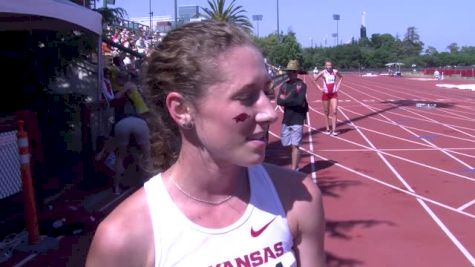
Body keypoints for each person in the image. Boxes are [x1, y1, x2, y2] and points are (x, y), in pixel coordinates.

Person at [86, 21, 325, 267]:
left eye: (267, 92)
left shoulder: (296, 196)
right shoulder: (125, 238)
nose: (270, 112)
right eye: (245, 96)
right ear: (182, 110)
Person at [277, 60, 309, 171]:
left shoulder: (302, 85)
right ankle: (293, 164)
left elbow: (299, 102)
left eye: (291, 71)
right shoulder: (284, 86)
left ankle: (294, 169)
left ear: (296, 72)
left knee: (295, 145)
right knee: (286, 145)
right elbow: (278, 102)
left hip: (298, 118)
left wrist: (285, 99)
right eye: (288, 72)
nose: (289, 74)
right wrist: (290, 100)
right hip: (286, 119)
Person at [314, 59, 343, 136]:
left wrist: (338, 86)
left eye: (330, 65)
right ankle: (327, 129)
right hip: (325, 94)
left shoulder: (335, 71)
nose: (329, 67)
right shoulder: (323, 72)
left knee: (334, 111)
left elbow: (341, 77)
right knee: (326, 112)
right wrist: (319, 88)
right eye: (327, 65)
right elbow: (314, 80)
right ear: (325, 66)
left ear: (332, 65)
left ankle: (334, 130)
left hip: (334, 94)